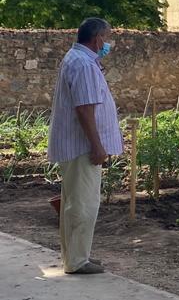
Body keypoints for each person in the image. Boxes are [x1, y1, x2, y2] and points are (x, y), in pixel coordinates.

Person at [47, 18, 123, 275]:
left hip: (76, 145)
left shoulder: (77, 60)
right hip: (82, 147)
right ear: (97, 38)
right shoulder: (83, 64)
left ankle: (75, 256)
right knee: (83, 204)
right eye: (107, 37)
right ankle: (78, 261)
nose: (108, 43)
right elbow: (85, 108)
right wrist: (97, 145)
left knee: (75, 202)